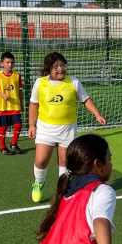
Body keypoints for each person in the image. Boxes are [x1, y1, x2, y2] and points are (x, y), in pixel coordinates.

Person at [28, 52, 106, 203]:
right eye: (56, 67)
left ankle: (62, 189)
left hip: (67, 130)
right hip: (45, 129)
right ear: (48, 69)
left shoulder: (74, 82)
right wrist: (32, 125)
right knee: (41, 160)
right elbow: (33, 105)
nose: (60, 69)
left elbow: (86, 100)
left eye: (62, 65)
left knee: (65, 162)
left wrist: (97, 114)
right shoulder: (40, 83)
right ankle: (38, 183)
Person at [0, 51, 23, 155]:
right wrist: (2, 95)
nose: (10, 65)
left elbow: (20, 91)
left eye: (12, 62)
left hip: (15, 105)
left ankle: (14, 144)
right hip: (2, 106)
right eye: (7, 62)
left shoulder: (17, 75)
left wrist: (22, 103)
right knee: (3, 127)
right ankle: (2, 147)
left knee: (18, 125)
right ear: (2, 63)